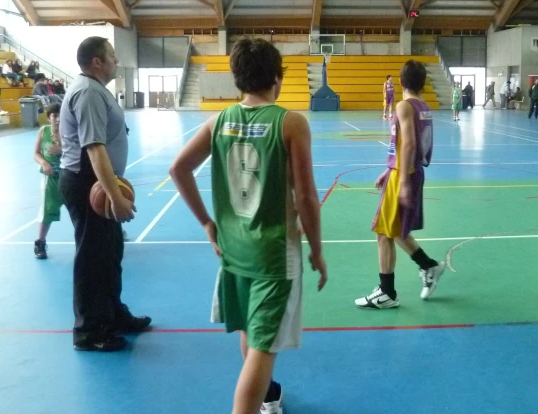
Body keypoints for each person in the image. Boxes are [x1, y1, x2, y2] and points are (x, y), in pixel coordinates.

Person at [169, 37, 327, 414]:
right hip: (274, 253)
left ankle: (268, 398)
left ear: (237, 78)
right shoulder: (290, 123)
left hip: (233, 250)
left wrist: (208, 223)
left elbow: (178, 169)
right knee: (264, 347)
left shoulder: (218, 121)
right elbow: (305, 197)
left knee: (248, 331)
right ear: (278, 78)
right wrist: (317, 250)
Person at [58, 36, 150, 352]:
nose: (116, 61)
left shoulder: (96, 90)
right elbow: (94, 148)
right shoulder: (87, 93)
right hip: (87, 184)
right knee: (92, 258)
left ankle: (112, 314)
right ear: (97, 62)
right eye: (112, 55)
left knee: (110, 253)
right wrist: (115, 197)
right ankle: (88, 331)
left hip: (95, 182)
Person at [355, 60, 444, 311]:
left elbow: (409, 144)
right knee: (393, 230)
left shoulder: (404, 106)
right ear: (423, 83)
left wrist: (402, 179)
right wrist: (389, 169)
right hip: (406, 172)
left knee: (383, 232)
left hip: (405, 174)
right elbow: (406, 144)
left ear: (401, 81)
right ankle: (428, 266)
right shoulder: (423, 106)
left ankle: (387, 292)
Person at [33, 103, 64, 259]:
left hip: (69, 177)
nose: (57, 119)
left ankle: (86, 242)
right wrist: (44, 163)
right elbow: (36, 153)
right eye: (54, 116)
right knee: (47, 210)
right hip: (50, 178)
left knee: (79, 212)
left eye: (60, 115)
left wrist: (62, 149)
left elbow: (80, 153)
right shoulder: (43, 131)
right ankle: (40, 242)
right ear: (49, 117)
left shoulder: (70, 131)